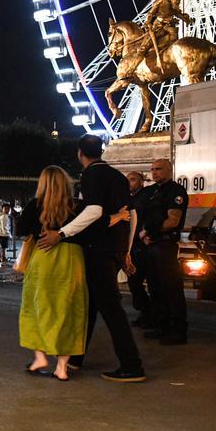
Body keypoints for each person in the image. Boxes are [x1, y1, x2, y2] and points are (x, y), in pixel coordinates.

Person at [37, 134, 145, 382]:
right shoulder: (117, 176)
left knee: (110, 309)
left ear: (79, 153)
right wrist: (126, 250)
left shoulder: (92, 175)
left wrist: (61, 233)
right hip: (114, 248)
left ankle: (132, 364)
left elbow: (94, 211)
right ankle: (75, 358)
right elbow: (133, 214)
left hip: (99, 250)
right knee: (90, 307)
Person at [17, 167, 88, 381]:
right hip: (71, 261)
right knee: (68, 311)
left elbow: (20, 228)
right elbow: (87, 232)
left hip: (43, 258)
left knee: (36, 308)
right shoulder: (76, 206)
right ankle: (62, 367)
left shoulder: (35, 205)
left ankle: (39, 357)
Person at [138, 159, 189, 344]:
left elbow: (173, 221)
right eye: (152, 169)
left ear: (169, 169)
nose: (155, 172)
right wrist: (145, 235)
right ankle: (162, 325)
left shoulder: (175, 191)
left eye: (158, 169)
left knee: (171, 288)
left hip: (165, 246)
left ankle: (178, 330)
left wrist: (149, 232)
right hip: (152, 244)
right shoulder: (153, 192)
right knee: (155, 287)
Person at [125, 171, 154, 327]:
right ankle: (145, 312)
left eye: (133, 179)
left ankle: (151, 314)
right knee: (134, 282)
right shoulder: (130, 199)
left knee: (144, 281)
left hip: (143, 246)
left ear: (142, 181)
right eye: (128, 180)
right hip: (133, 245)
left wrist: (146, 232)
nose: (130, 182)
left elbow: (151, 217)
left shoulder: (146, 197)